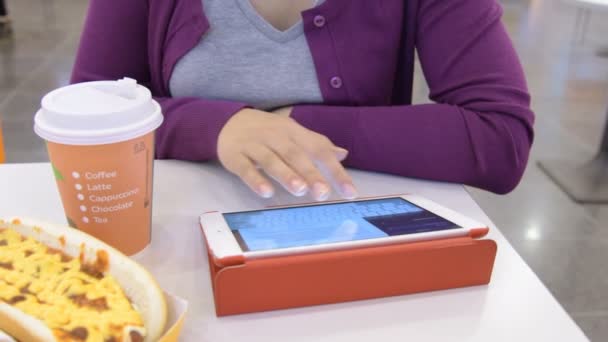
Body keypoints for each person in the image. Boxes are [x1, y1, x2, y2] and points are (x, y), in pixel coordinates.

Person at [71, 0, 534, 201]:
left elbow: (500, 138)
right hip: (173, 229)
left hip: (348, 231)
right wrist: (216, 127)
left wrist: (292, 124)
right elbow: (87, 109)